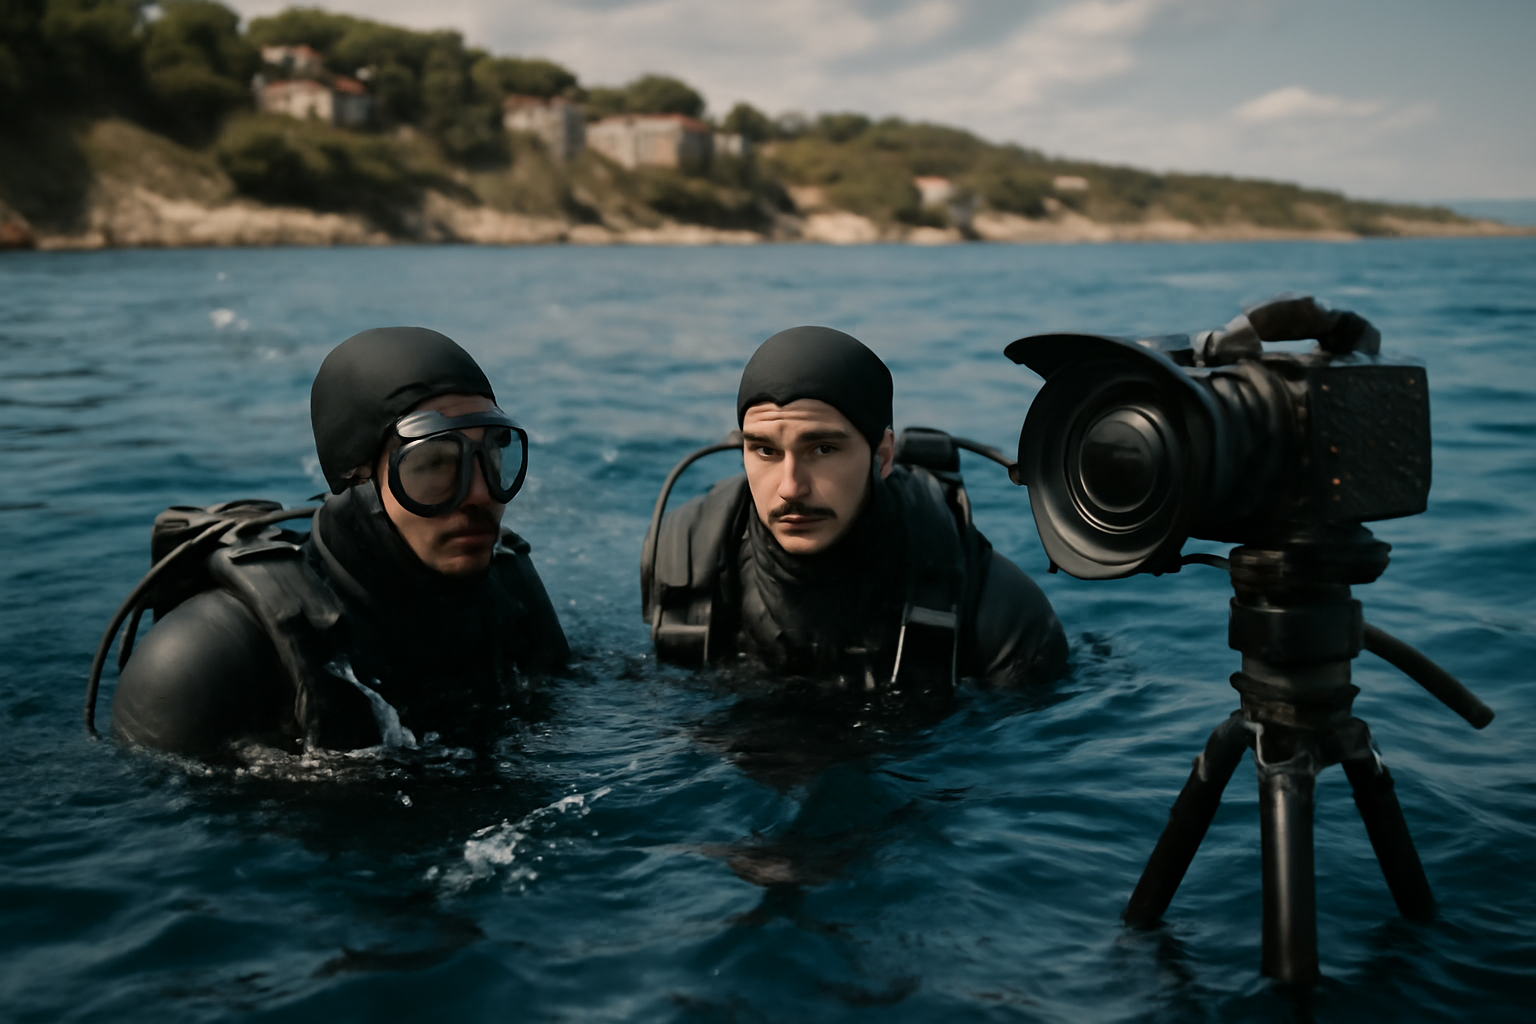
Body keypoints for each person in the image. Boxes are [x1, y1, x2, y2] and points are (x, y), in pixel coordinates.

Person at [110, 327, 569, 754]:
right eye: (432, 464)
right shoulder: (202, 662)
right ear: (356, 478)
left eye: (491, 454)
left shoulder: (509, 589)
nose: (480, 494)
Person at [643, 326, 1068, 696]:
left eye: (823, 448)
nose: (791, 487)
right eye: (765, 450)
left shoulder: (1001, 613)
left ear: (883, 456)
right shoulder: (686, 572)